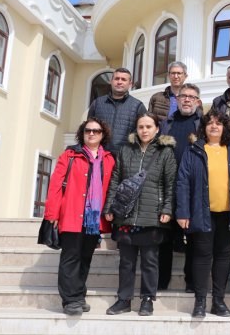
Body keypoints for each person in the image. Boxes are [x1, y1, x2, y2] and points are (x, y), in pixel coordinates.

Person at [103, 113, 177, 317]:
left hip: (152, 214)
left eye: (148, 126)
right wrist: (109, 207)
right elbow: (115, 180)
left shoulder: (165, 152)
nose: (144, 130)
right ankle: (124, 299)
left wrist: (167, 210)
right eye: (141, 126)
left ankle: (147, 299)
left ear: (157, 129)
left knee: (150, 260)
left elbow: (170, 184)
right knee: (126, 261)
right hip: (126, 214)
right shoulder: (126, 150)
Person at [175, 110, 230, 318]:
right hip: (201, 213)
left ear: (225, 127)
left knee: (223, 257)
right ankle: (200, 301)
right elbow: (182, 183)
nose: (214, 126)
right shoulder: (194, 150)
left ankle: (218, 301)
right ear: (204, 128)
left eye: (218, 123)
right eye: (210, 123)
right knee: (202, 256)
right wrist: (182, 212)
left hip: (227, 214)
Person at [43, 118, 116, 315]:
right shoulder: (70, 155)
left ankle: (78, 294)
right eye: (87, 130)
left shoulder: (109, 158)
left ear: (103, 134)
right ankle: (70, 300)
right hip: (71, 215)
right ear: (82, 134)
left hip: (94, 219)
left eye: (96, 131)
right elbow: (56, 185)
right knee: (70, 257)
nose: (91, 134)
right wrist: (52, 214)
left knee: (85, 258)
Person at [158, 83, 204, 292]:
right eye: (183, 96)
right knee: (165, 238)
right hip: (167, 187)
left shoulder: (203, 124)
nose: (186, 100)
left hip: (194, 189)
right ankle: (161, 281)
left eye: (191, 97)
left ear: (197, 101)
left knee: (193, 237)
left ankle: (192, 282)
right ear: (177, 100)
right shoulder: (166, 123)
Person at [88, 67, 147, 154]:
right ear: (111, 81)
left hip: (125, 159)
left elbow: (145, 133)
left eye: (123, 79)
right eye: (116, 79)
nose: (119, 82)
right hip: (98, 156)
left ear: (130, 84)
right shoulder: (97, 103)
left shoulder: (138, 106)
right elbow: (88, 129)